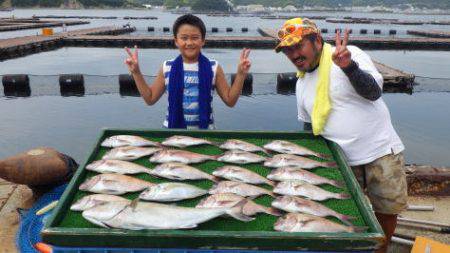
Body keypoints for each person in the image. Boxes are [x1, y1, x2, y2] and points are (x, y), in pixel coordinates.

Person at [275, 18, 407, 253]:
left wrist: (349, 67)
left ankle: (381, 249)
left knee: (387, 211)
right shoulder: (301, 83)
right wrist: (312, 163)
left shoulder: (349, 54)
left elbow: (374, 92)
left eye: (298, 46)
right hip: (340, 161)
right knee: (341, 212)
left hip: (380, 151)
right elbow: (309, 126)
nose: (293, 54)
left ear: (316, 40)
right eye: (287, 50)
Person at [124, 14, 251, 129]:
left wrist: (241, 74)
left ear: (203, 41)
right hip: (172, 133)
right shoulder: (167, 67)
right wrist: (136, 72)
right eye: (184, 38)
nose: (189, 43)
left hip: (205, 133)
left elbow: (230, 101)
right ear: (176, 41)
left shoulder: (214, 67)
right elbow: (150, 98)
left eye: (195, 38)